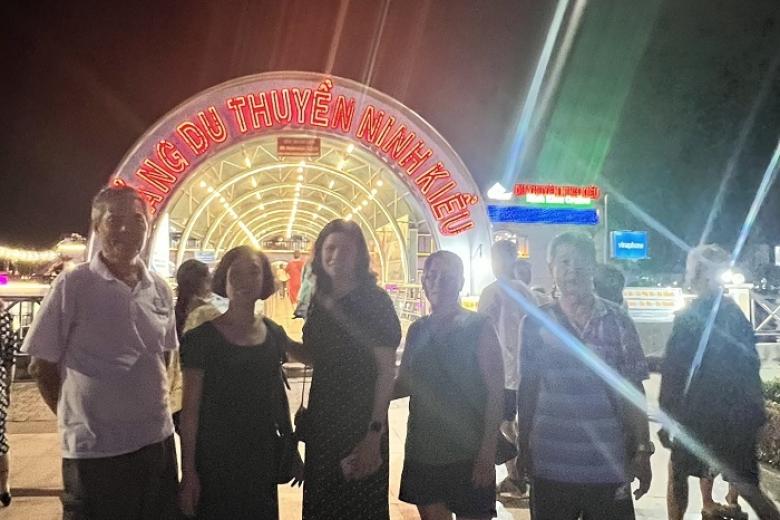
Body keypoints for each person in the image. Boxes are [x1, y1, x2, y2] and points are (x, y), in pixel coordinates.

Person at [22, 185, 179, 519]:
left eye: (137, 220)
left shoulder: (159, 288)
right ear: (97, 226)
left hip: (156, 442)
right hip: (96, 454)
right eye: (114, 220)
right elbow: (41, 366)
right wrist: (78, 418)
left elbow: (163, 357)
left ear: (148, 227)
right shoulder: (73, 285)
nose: (126, 229)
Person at [516, 231, 653, 520]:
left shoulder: (618, 322)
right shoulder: (534, 323)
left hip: (608, 465)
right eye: (564, 262)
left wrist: (642, 450)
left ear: (593, 267)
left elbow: (633, 390)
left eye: (581, 262)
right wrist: (523, 446)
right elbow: (527, 388)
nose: (572, 271)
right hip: (550, 464)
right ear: (551, 267)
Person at [285, 219, 402, 520]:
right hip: (323, 421)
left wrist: (374, 434)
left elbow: (385, 371)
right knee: (322, 505)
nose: (336, 256)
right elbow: (317, 358)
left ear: (360, 256)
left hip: (360, 421)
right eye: (330, 248)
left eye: (346, 250)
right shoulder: (319, 300)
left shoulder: (375, 302)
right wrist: (280, 340)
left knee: (360, 506)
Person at [178, 246, 300, 519]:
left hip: (261, 458)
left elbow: (277, 399)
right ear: (224, 279)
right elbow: (190, 413)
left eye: (254, 272)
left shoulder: (273, 333)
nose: (245, 280)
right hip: (215, 460)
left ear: (265, 279)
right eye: (236, 274)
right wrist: (189, 472)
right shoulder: (201, 339)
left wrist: (291, 450)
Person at [660, 244, 779, 520]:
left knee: (677, 474)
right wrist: (755, 414)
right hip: (735, 418)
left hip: (697, 415)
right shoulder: (735, 316)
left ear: (699, 274)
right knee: (748, 486)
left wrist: (668, 416)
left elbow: (674, 371)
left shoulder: (689, 317)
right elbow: (750, 366)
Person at [395, 250, 504, 519]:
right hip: (424, 450)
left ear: (460, 282)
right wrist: (364, 393)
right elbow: (405, 384)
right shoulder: (417, 330)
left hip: (469, 451)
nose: (438, 283)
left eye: (447, 277)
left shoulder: (480, 327)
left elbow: (495, 393)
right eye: (432, 276)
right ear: (423, 281)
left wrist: (487, 452)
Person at [477, 241, 537, 499]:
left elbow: (480, 333)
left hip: (502, 373)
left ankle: (516, 475)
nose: (496, 264)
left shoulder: (493, 292)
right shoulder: (526, 293)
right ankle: (521, 471)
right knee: (513, 423)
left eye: (499, 258)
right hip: (521, 372)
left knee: (501, 424)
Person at [0, 299, 17, 507]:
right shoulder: (5, 317)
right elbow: (9, 358)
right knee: (0, 439)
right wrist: (7, 387)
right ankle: (4, 488)